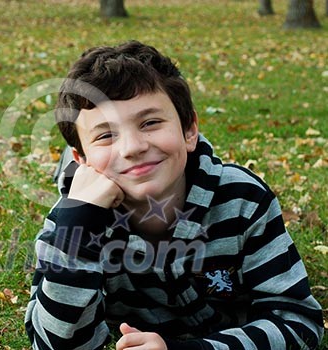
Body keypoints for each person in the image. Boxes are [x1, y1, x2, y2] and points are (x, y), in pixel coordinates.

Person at [24, 41, 324, 349]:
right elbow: (53, 343)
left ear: (189, 130)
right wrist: (76, 236)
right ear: (82, 160)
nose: (133, 147)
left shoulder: (242, 201)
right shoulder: (70, 222)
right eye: (105, 135)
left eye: (150, 122)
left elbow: (299, 323)